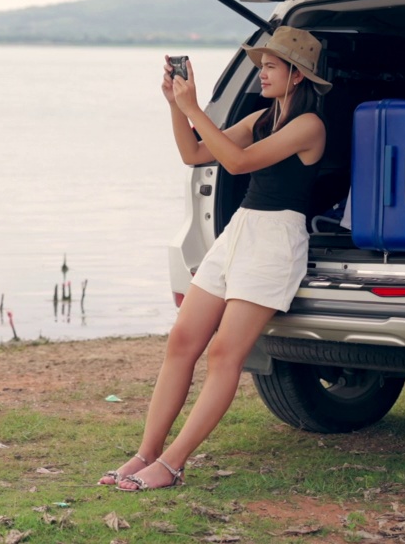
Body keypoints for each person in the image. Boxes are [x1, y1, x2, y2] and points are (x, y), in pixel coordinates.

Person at [99, 26, 331, 492]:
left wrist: (193, 108)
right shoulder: (261, 118)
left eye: (270, 66)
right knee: (182, 340)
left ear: (297, 76)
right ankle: (146, 452)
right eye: (260, 65)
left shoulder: (310, 126)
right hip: (239, 232)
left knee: (225, 354)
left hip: (276, 241)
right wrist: (175, 105)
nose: (260, 73)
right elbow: (194, 154)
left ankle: (172, 463)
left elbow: (239, 164)